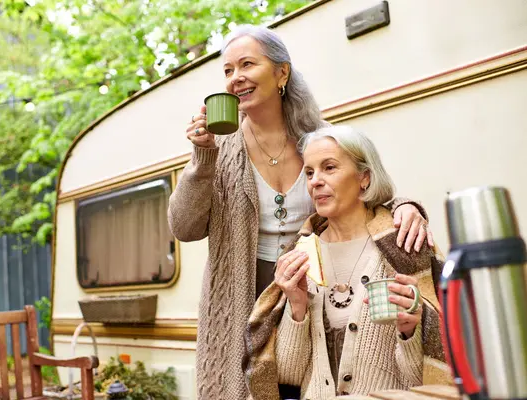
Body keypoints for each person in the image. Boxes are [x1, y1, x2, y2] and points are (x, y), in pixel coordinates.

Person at [168, 25, 434, 400]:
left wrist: (406, 207)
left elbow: (361, 186)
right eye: (227, 70)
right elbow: (184, 227)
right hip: (240, 301)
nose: (236, 78)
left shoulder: (317, 138)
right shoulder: (218, 147)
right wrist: (202, 159)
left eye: (247, 64)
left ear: (282, 72)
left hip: (309, 295)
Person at [242, 125, 451, 400]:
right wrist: (297, 306)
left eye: (329, 168)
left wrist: (409, 330)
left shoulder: (403, 247)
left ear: (364, 178)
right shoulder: (301, 253)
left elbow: (424, 379)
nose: (315, 181)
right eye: (309, 172)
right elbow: (288, 375)